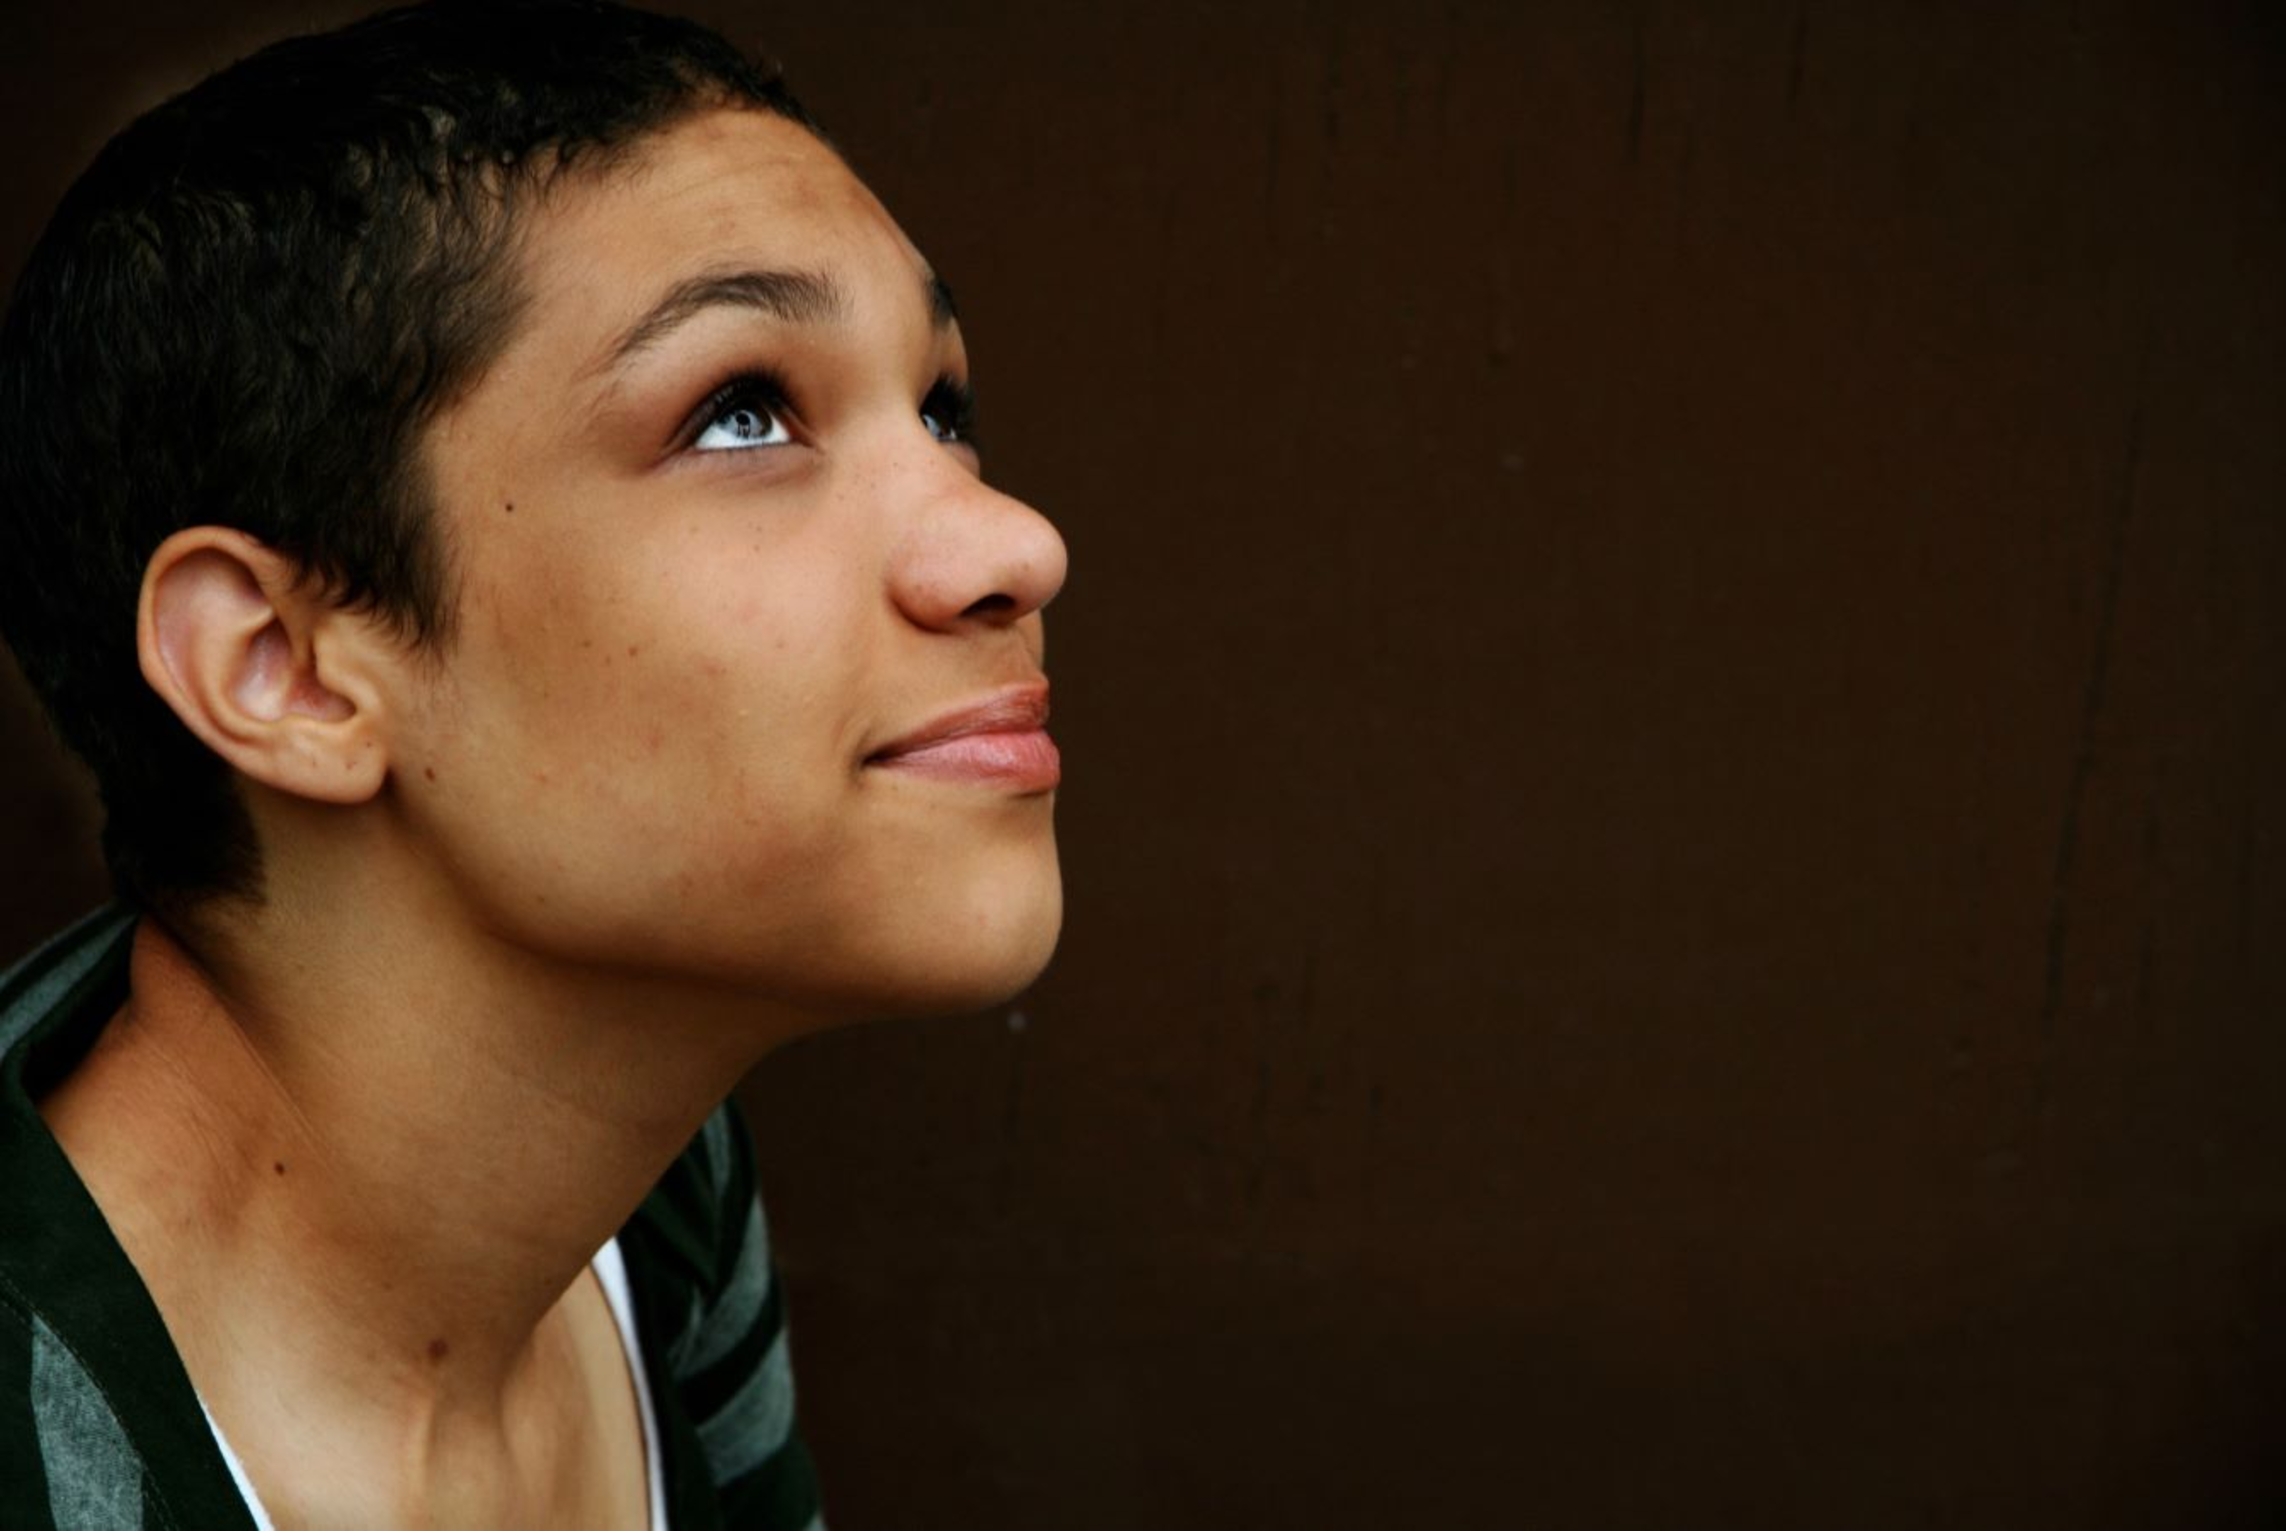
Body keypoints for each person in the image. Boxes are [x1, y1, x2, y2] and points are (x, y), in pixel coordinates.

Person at [0, 0, 1068, 1523]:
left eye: (941, 407)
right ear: (283, 666)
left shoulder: (654, 1194)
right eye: (741, 414)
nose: (1015, 543)